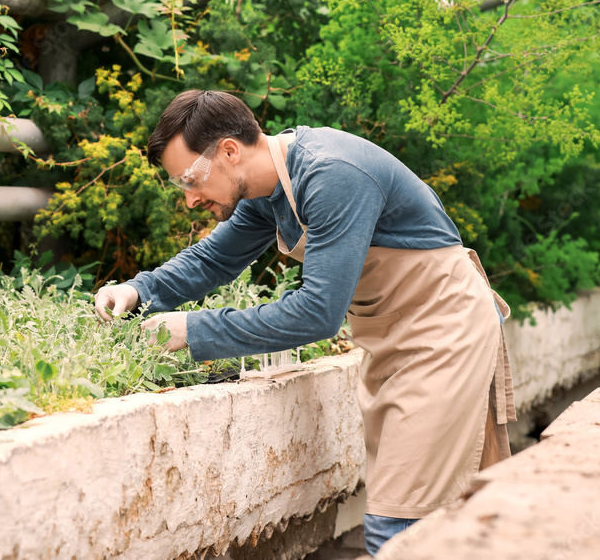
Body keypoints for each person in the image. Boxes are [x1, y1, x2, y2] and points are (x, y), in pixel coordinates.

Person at [94, 90, 516, 556]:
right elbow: (213, 260)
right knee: (434, 510)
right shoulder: (268, 189)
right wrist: (137, 291)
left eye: (191, 178)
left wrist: (192, 331)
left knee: (395, 520)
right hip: (392, 339)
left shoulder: (331, 174)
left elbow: (317, 313)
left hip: (444, 332)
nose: (190, 198)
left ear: (230, 151)